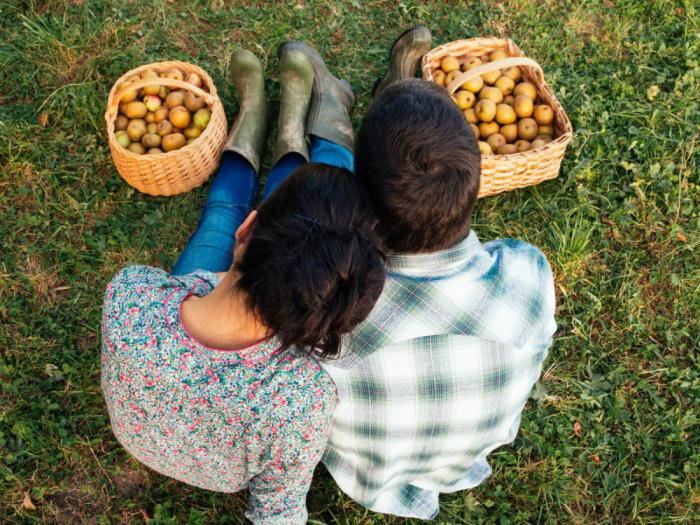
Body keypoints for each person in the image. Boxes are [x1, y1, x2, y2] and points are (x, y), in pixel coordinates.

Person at [101, 45, 385, 524]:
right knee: (296, 219)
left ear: (246, 234)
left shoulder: (131, 296)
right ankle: (291, 129)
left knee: (223, 213)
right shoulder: (302, 403)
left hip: (151, 412)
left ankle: (254, 126)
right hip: (214, 453)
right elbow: (278, 513)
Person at [318, 27, 557, 519]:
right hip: (457, 464)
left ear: (363, 203)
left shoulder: (329, 312)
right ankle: (368, 102)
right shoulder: (528, 279)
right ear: (475, 183)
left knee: (325, 178)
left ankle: (333, 118)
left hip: (364, 472)